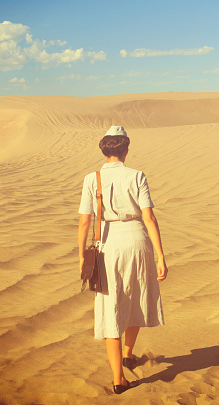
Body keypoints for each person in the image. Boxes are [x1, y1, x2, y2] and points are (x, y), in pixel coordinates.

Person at [78, 126, 167, 394]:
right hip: (138, 241)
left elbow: (85, 221)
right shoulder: (137, 175)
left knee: (111, 307)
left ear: (104, 150)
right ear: (126, 150)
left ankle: (118, 379)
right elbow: (149, 217)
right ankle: (128, 353)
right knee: (136, 296)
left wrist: (82, 255)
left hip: (108, 244)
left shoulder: (91, 179)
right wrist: (161, 255)